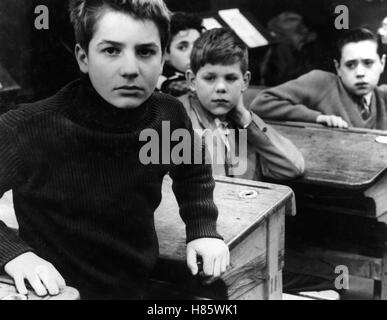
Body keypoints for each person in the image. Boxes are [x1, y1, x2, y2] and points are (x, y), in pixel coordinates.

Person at [0, 0, 229, 300]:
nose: (130, 69)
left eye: (146, 52)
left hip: (134, 285)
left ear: (162, 60)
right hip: (54, 293)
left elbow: (192, 169)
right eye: (111, 50)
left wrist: (202, 228)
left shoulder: (167, 116)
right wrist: (16, 255)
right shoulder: (27, 128)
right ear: (83, 57)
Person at [179, 28, 305, 181]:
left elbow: (293, 167)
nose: (221, 87)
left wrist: (245, 118)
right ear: (192, 80)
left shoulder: (244, 124)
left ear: (245, 82)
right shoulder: (176, 120)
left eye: (231, 78)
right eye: (210, 78)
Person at [250, 27, 387, 130]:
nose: (360, 73)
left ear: (382, 63)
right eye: (350, 65)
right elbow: (262, 103)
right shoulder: (322, 82)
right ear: (338, 67)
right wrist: (318, 117)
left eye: (368, 63)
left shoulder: (382, 96)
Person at [157, 12, 203, 97]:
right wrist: (165, 84)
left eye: (198, 45)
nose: (194, 53)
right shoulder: (160, 81)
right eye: (183, 47)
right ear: (166, 54)